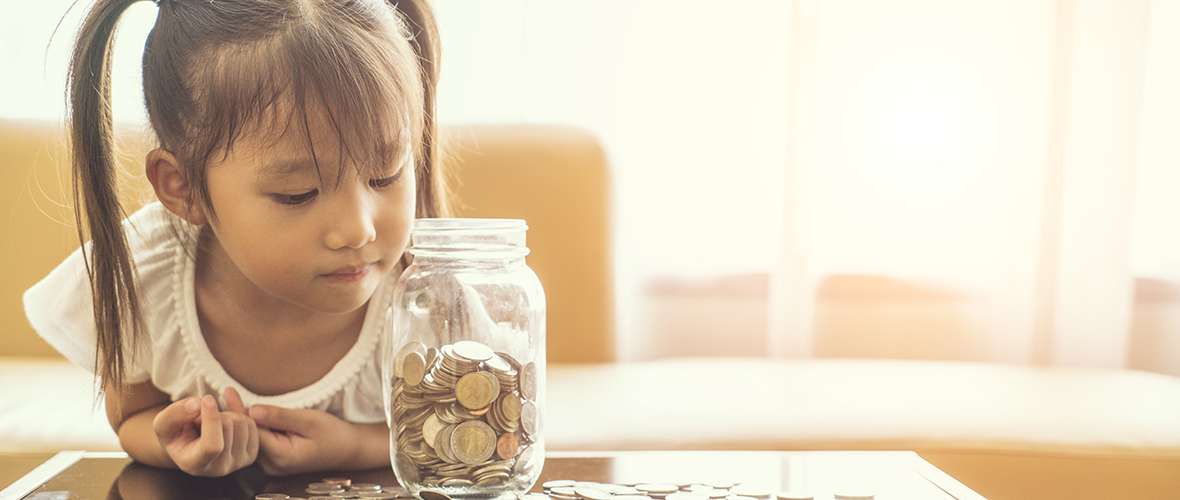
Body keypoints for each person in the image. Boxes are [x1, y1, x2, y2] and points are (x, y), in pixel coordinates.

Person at [22, 0, 449, 477]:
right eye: (297, 194)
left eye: (386, 175)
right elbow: (131, 418)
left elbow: (458, 431)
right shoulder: (146, 274)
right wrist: (174, 446)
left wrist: (354, 446)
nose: (359, 229)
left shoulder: (426, 294)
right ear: (181, 188)